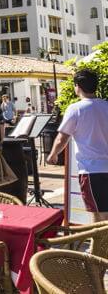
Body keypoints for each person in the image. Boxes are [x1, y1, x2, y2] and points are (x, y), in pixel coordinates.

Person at [47, 70, 108, 222]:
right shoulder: (106, 106)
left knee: (98, 217)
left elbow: (62, 138)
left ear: (78, 86)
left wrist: (53, 154)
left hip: (91, 170)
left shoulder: (76, 109)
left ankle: (99, 246)